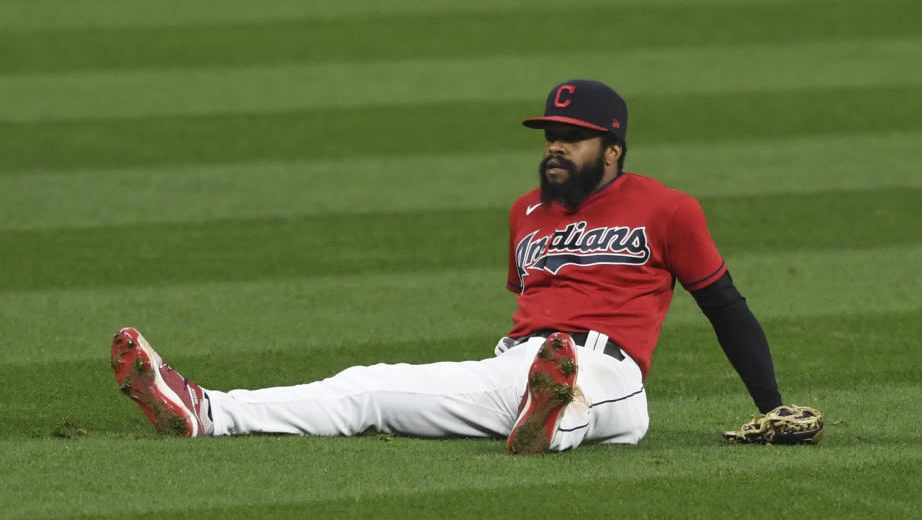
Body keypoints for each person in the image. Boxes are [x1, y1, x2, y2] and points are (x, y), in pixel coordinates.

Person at [111, 79, 785, 455]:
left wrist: (772, 407)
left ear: (612, 148)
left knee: (579, 388)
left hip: (612, 374)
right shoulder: (527, 212)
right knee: (369, 386)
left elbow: (724, 304)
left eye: (571, 139)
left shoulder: (667, 209)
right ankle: (206, 411)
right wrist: (533, 371)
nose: (554, 149)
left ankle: (554, 415)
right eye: (549, 137)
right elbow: (526, 301)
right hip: (515, 367)